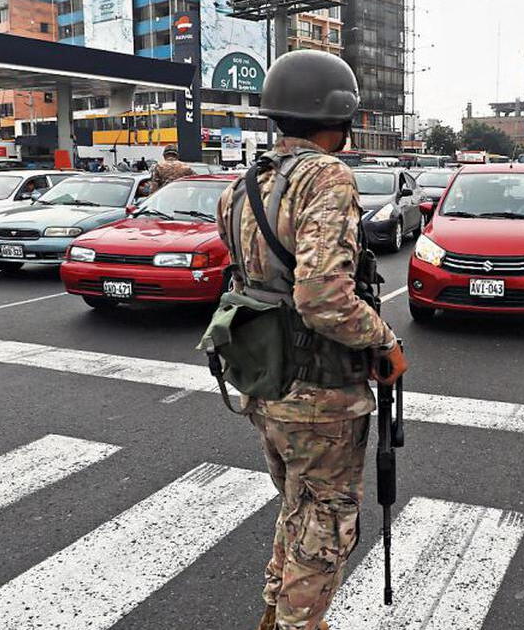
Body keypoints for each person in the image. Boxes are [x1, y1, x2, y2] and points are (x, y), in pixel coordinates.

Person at [215, 49, 408, 630]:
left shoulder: (244, 183)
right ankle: (301, 622)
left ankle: (278, 612)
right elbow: (322, 295)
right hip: (317, 389)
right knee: (326, 517)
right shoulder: (326, 177)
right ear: (340, 115)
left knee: (298, 504)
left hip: (262, 376)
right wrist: (384, 340)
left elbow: (250, 280)